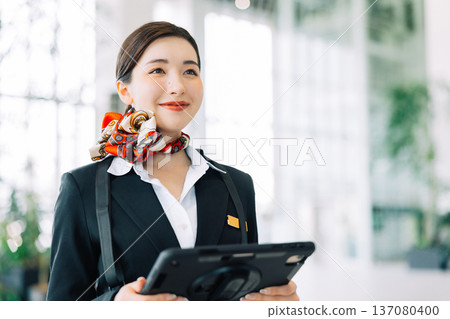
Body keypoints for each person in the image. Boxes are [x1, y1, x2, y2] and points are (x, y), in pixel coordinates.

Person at [46, 21, 299, 301]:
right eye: (157, 70)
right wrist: (113, 304)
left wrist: (272, 305)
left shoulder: (237, 186)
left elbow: (243, 289)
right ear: (124, 91)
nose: (177, 86)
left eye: (190, 71)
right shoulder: (83, 189)